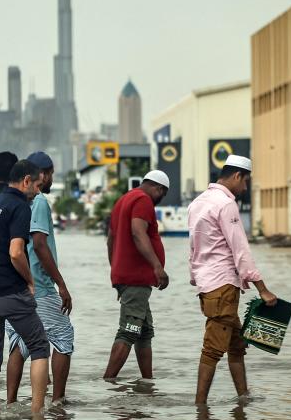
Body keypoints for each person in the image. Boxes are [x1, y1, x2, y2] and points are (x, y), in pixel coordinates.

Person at [187, 156, 278, 406]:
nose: (245, 188)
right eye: (245, 181)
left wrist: (196, 278)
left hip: (208, 285)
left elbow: (194, 247)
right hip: (223, 285)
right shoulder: (226, 204)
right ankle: (200, 406)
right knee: (213, 349)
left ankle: (243, 398)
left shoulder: (197, 203)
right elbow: (241, 250)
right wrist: (263, 289)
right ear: (237, 176)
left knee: (237, 346)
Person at [0, 160, 50, 415]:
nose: (38, 192)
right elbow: (16, 252)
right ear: (26, 181)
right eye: (37, 185)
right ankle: (38, 414)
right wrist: (30, 280)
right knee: (40, 346)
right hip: (9, 291)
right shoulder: (20, 207)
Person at [5, 152, 75, 404]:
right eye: (51, 173)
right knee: (63, 336)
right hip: (40, 286)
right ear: (41, 175)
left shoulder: (11, 201)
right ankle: (58, 401)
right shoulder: (40, 201)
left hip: (13, 284)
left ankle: (11, 402)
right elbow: (39, 244)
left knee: (19, 342)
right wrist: (61, 285)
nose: (50, 179)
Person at [103, 170, 170, 380]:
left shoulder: (123, 200)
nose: (160, 199)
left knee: (144, 332)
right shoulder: (143, 200)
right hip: (136, 280)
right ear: (158, 188)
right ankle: (108, 381)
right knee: (129, 330)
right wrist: (157, 266)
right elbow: (138, 232)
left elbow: (110, 240)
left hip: (128, 278)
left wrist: (116, 273)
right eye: (163, 194)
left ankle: (147, 383)